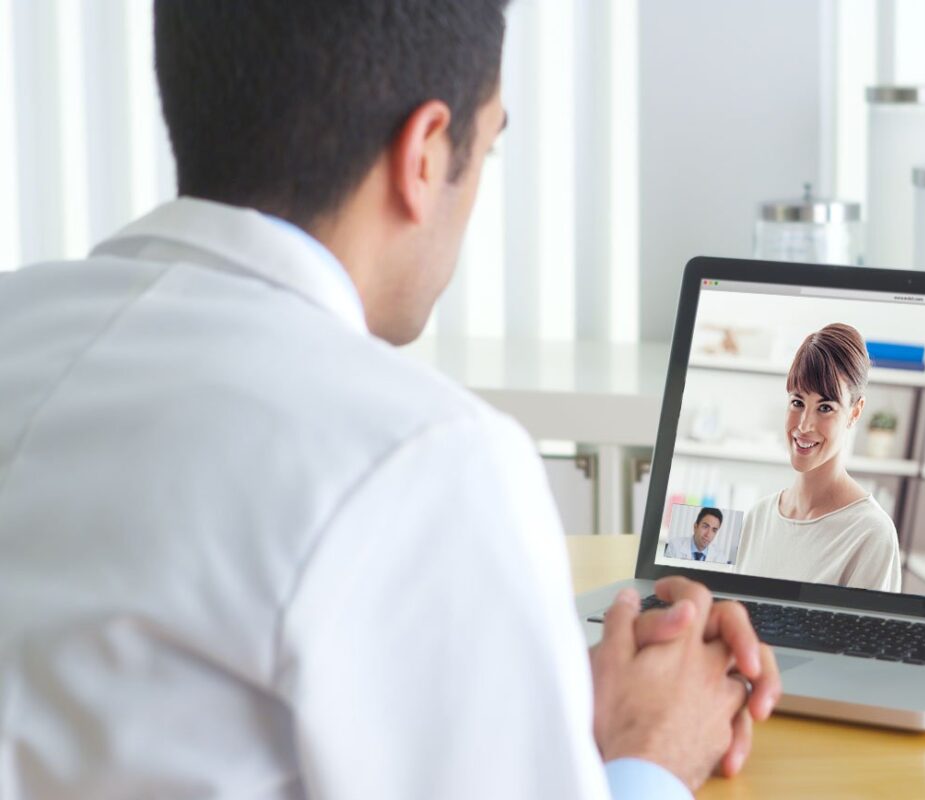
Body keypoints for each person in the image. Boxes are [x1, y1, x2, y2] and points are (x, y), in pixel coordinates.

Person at [0, 2, 780, 797]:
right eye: (489, 147)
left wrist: (517, 697)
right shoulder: (420, 453)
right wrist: (651, 754)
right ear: (424, 153)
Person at [734, 323, 901, 591]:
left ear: (855, 412)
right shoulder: (758, 518)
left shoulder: (871, 534)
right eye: (797, 402)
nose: (804, 425)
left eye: (825, 407)